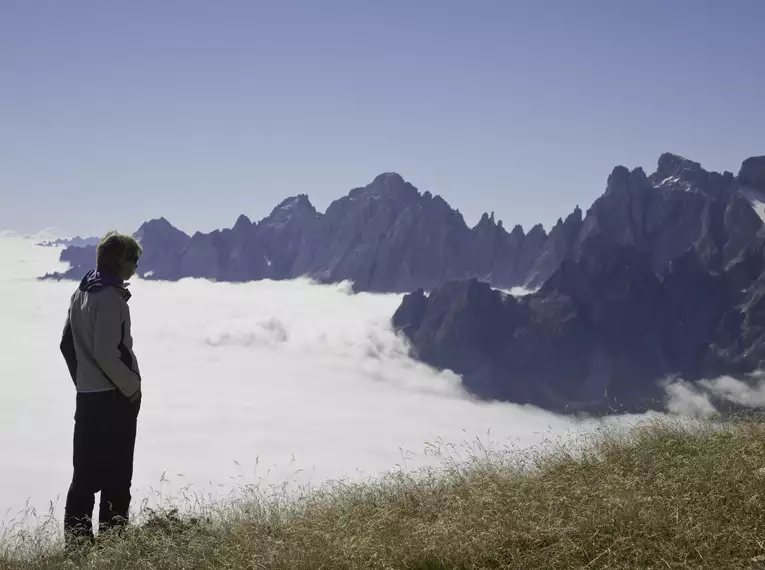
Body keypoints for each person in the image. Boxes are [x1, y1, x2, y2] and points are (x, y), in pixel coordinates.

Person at [59, 231, 143, 548]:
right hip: (114, 400)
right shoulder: (109, 298)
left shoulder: (80, 293)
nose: (136, 267)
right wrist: (132, 389)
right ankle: (113, 551)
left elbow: (67, 344)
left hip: (88, 400)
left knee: (84, 477)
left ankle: (77, 549)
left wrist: (83, 383)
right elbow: (108, 353)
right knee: (117, 479)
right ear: (121, 260)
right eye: (134, 260)